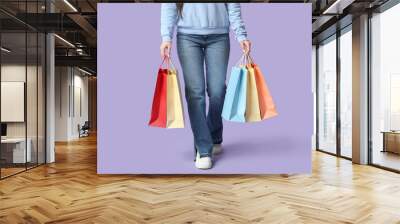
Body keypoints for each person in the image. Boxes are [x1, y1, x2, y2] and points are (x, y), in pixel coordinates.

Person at [160, 3, 251, 169]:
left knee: (218, 91)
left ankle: (214, 135)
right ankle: (203, 149)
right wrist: (166, 37)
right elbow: (169, 5)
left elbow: (233, 5)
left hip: (219, 37)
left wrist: (241, 35)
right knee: (195, 93)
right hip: (187, 37)